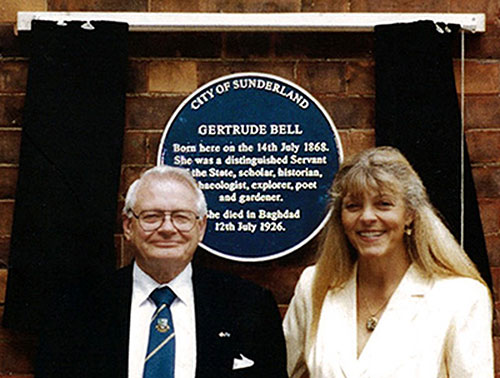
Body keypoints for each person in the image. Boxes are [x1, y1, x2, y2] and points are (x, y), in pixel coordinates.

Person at [38, 165, 287, 378]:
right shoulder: (76, 307)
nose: (167, 228)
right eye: (152, 216)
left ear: (200, 228)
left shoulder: (250, 306)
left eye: (181, 217)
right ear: (128, 226)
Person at [283, 146, 493, 378]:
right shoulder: (314, 285)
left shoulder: (460, 296)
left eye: (383, 204)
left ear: (410, 214)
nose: (367, 217)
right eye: (353, 206)